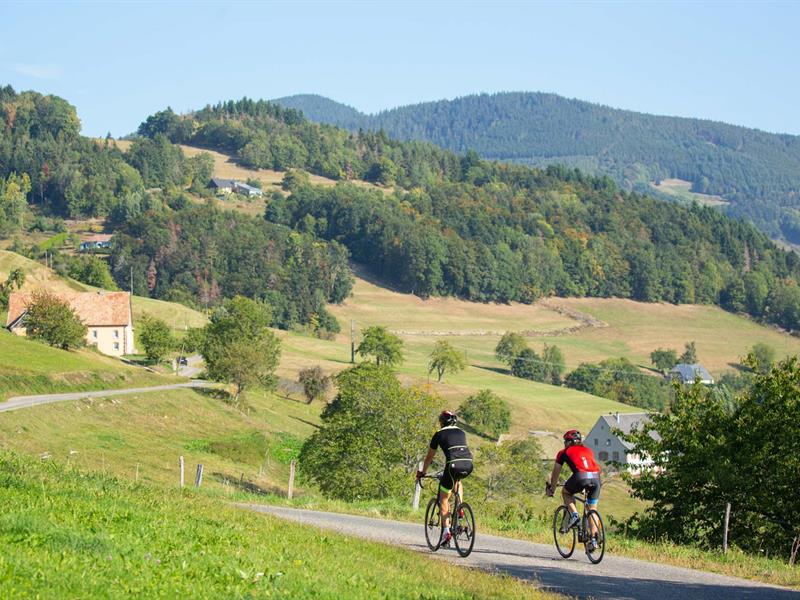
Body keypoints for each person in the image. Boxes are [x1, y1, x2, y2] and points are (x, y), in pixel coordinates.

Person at [417, 410, 473, 546]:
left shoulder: (438, 434)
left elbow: (429, 457)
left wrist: (422, 472)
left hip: (452, 465)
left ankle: (446, 533)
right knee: (457, 482)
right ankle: (460, 507)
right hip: (468, 463)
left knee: (443, 498)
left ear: (442, 422)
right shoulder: (461, 432)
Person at [546, 429, 602, 542]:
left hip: (580, 477)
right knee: (592, 509)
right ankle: (594, 540)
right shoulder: (588, 450)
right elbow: (590, 467)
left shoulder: (563, 452)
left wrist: (552, 488)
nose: (564, 444)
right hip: (596, 478)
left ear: (569, 442)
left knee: (566, 493)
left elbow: (556, 472)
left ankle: (575, 515)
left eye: (565, 441)